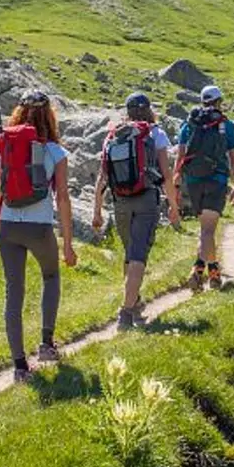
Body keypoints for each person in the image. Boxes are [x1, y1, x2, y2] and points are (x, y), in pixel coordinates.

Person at [0, 90, 77, 379]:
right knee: (50, 276)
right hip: (39, 227)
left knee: (13, 291)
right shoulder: (55, 152)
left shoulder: (5, 149)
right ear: (49, 117)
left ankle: (19, 367)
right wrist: (67, 243)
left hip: (8, 227)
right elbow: (62, 198)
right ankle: (46, 344)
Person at [92, 92, 179, 328]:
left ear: (127, 111)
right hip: (146, 200)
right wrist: (173, 205)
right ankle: (126, 311)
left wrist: (97, 210)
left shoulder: (113, 135)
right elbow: (166, 174)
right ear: (149, 110)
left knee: (130, 253)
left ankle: (135, 303)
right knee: (138, 255)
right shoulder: (155, 134)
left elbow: (102, 176)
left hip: (119, 200)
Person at [174, 83, 234, 291]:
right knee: (208, 231)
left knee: (205, 230)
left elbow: (180, 155)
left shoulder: (189, 124)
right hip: (216, 180)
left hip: (193, 181)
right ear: (218, 102)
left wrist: (176, 184)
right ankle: (207, 274)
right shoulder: (226, 125)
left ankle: (203, 270)